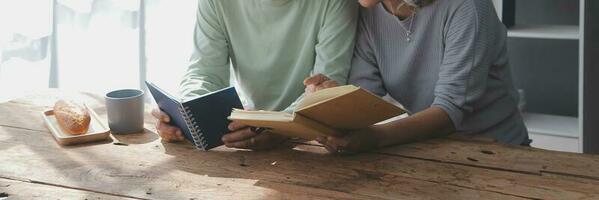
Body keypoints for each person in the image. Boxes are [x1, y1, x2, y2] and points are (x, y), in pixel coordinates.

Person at [306, 0, 530, 154]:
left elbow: (451, 110)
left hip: (499, 152)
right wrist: (335, 101)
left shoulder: (467, 6)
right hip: (428, 149)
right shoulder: (367, 11)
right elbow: (365, 95)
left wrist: (375, 138)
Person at [151, 0, 358, 150]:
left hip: (314, 139)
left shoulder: (337, 3)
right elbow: (204, 72)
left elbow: (327, 88)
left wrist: (281, 128)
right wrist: (185, 113)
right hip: (246, 125)